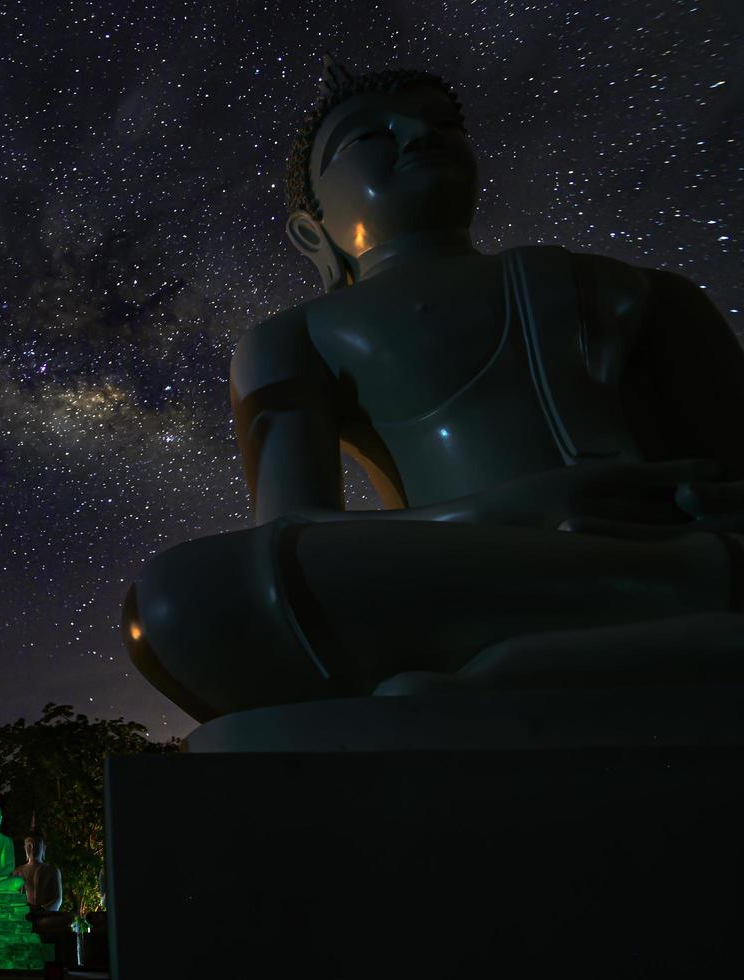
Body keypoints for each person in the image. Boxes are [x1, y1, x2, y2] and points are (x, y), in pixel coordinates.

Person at [123, 57, 744, 722]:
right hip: (474, 565)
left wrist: (689, 507)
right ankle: (647, 637)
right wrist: (495, 513)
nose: (419, 136)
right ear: (313, 231)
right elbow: (291, 525)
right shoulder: (291, 336)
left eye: (441, 122)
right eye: (369, 137)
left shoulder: (637, 290)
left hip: (653, 551)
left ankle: (535, 664)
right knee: (180, 599)